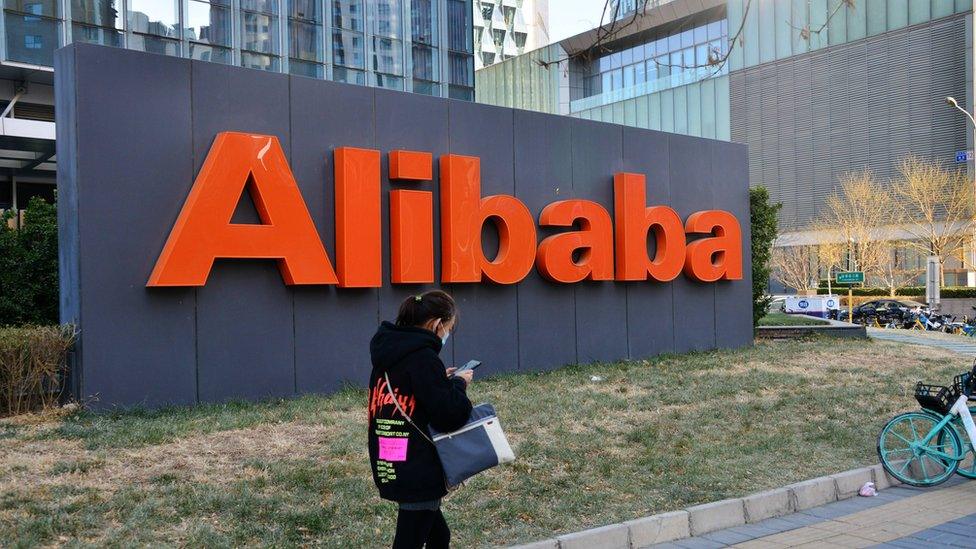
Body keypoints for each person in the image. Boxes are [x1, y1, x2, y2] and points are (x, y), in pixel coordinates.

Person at [367, 290, 474, 549]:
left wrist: (440, 380)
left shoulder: (388, 353)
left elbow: (410, 391)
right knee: (410, 541)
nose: (446, 333)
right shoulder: (423, 358)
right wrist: (459, 383)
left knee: (439, 536)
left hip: (390, 456)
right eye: (448, 327)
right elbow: (451, 414)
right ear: (437, 324)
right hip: (418, 464)